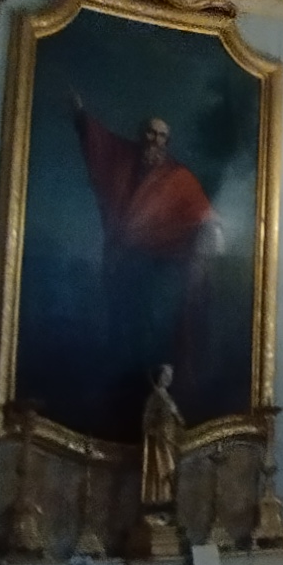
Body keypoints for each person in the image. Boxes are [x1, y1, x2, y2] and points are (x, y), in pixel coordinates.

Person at [70, 95, 222, 414]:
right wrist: (81, 116)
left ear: (167, 142)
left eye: (161, 135)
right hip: (126, 264)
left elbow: (205, 218)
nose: (154, 139)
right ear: (142, 135)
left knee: (157, 324)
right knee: (123, 324)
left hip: (164, 267)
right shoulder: (124, 160)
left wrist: (208, 243)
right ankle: (124, 389)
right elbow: (103, 145)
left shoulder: (179, 177)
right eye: (150, 132)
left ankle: (154, 388)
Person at [139, 363, 183, 514]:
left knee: (171, 472)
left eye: (170, 376)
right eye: (166, 375)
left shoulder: (168, 399)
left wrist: (175, 413)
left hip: (171, 440)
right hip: (160, 443)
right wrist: (156, 431)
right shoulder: (154, 398)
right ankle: (157, 502)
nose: (168, 379)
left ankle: (167, 501)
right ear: (159, 377)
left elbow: (180, 421)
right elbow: (146, 422)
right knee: (161, 471)